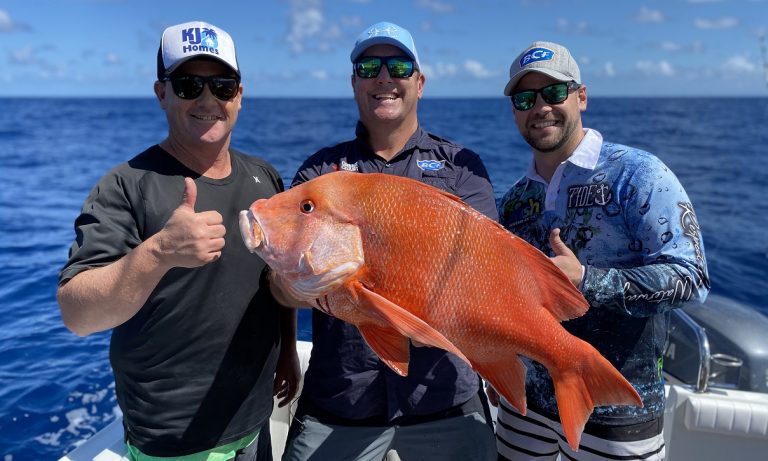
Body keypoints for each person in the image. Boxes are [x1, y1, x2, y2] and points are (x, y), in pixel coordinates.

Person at [56, 21, 299, 460]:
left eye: (222, 85)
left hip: (252, 418)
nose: (208, 100)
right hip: (174, 441)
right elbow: (77, 314)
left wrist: (288, 354)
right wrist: (158, 252)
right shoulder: (125, 186)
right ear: (161, 93)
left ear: (239, 96)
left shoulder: (266, 178)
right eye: (189, 85)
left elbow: (275, 281)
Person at [275, 21, 498, 461]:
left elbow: (485, 267)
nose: (384, 77)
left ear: (419, 81)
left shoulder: (461, 167)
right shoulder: (320, 176)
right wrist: (290, 285)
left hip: (445, 396)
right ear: (354, 81)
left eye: (398, 65)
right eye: (369, 66)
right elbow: (279, 281)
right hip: (342, 399)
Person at [490, 41, 710, 460]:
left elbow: (692, 279)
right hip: (525, 408)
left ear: (581, 97)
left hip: (619, 412)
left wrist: (589, 281)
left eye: (554, 92)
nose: (541, 107)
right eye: (525, 98)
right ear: (515, 109)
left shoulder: (637, 174)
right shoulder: (514, 201)